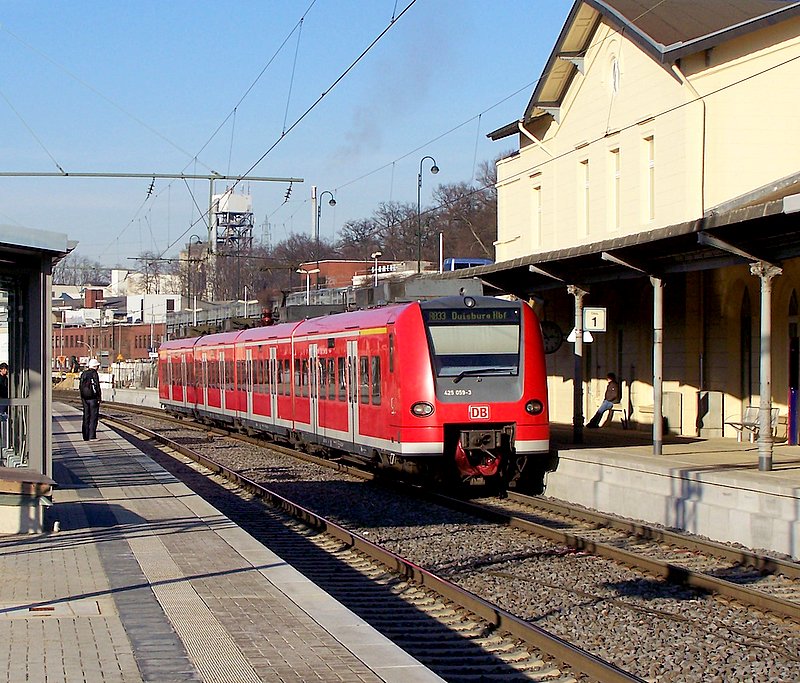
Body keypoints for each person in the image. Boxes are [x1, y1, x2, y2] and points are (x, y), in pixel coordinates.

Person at [79, 358, 102, 441]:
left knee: (86, 416)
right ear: (95, 366)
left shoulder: (83, 373)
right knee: (93, 417)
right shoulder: (94, 374)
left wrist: (82, 397)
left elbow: (80, 386)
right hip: (93, 398)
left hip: (84, 398)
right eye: (97, 366)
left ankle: (85, 436)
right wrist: (99, 397)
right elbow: (96, 386)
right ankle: (92, 436)